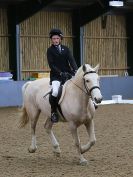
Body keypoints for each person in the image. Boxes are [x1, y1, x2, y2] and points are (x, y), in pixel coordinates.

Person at [47, 28, 78, 123]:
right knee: (55, 92)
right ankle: (53, 112)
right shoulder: (50, 50)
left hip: (68, 74)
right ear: (51, 40)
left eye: (57, 38)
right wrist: (60, 73)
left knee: (79, 86)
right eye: (53, 38)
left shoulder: (66, 49)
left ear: (60, 39)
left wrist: (76, 70)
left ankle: (91, 103)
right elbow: (51, 65)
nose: (55, 40)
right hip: (56, 76)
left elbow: (71, 60)